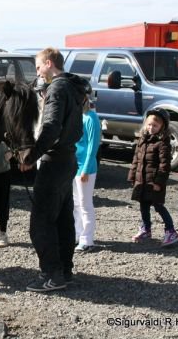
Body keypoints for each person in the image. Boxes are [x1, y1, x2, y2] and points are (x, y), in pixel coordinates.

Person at [20, 47, 89, 292]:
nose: (37, 72)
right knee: (62, 219)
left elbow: (50, 126)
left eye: (38, 67)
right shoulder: (73, 87)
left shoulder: (57, 88)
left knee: (40, 223)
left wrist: (32, 155)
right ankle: (65, 271)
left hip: (55, 160)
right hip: (68, 159)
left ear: (49, 63)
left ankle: (52, 274)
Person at [128, 108, 178, 246]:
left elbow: (165, 165)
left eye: (155, 126)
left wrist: (159, 182)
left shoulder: (163, 142)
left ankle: (170, 231)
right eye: (149, 124)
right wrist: (133, 176)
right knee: (143, 205)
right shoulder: (142, 139)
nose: (151, 128)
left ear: (162, 126)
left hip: (154, 182)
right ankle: (146, 229)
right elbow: (136, 159)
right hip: (142, 181)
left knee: (158, 206)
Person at [72, 94, 101, 253]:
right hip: (75, 166)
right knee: (76, 202)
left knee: (85, 203)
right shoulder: (80, 116)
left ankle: (87, 239)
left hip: (86, 167)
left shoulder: (91, 118)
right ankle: (78, 234)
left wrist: (85, 169)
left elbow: (93, 146)